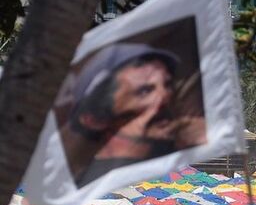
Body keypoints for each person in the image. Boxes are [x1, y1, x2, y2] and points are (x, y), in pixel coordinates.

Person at [56, 43, 203, 186]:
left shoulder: (179, 164)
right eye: (144, 91)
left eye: (167, 85)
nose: (165, 96)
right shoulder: (94, 187)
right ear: (94, 119)